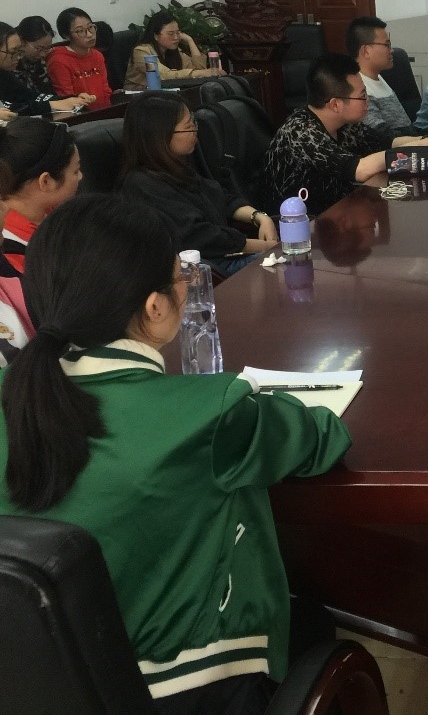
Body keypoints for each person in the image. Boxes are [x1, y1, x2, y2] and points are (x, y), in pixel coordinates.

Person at [0, 194, 351, 712]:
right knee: (313, 623)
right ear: (155, 307)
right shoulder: (209, 414)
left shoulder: (16, 392)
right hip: (188, 688)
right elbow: (321, 439)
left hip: (38, 678)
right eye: (179, 275)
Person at [261, 52, 428, 216]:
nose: (367, 100)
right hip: (300, 228)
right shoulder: (301, 132)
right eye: (362, 96)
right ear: (336, 104)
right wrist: (422, 149)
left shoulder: (344, 124)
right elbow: (359, 170)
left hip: (340, 213)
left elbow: (388, 143)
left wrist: (427, 141)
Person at [118, 91, 278, 277]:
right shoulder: (142, 185)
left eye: (194, 122)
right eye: (188, 126)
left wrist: (260, 217)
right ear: (159, 136)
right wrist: (265, 247)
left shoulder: (176, 167)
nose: (195, 130)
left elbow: (220, 197)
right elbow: (201, 236)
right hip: (206, 270)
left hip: (228, 255)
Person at [0, 116, 82, 273]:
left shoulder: (55, 215)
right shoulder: (14, 254)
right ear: (46, 181)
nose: (80, 177)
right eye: (75, 171)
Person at [0, 21, 93, 116]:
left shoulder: (4, 74)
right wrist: (52, 105)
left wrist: (70, 99)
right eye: (13, 52)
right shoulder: (10, 70)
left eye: (19, 51)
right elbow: (9, 108)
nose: (19, 56)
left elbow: (28, 96)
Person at [347, 15, 414, 138]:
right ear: (366, 51)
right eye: (387, 45)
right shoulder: (362, 92)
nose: (391, 50)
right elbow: (384, 137)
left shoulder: (377, 77)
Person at [124, 10, 223, 90]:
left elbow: (199, 70)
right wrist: (200, 73)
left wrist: (190, 41)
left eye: (178, 33)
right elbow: (163, 76)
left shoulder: (173, 50)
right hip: (137, 98)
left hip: (165, 95)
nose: (176, 38)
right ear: (156, 36)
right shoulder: (141, 51)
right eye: (171, 34)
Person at [47, 7, 112, 103]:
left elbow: (106, 90)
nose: (89, 34)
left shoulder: (97, 55)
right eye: (80, 31)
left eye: (90, 27)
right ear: (66, 36)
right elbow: (67, 99)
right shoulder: (59, 61)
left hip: (104, 110)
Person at [13, 15, 60, 99]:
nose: (43, 54)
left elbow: (48, 93)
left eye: (47, 48)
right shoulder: (9, 62)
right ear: (22, 41)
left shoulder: (39, 61)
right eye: (39, 48)